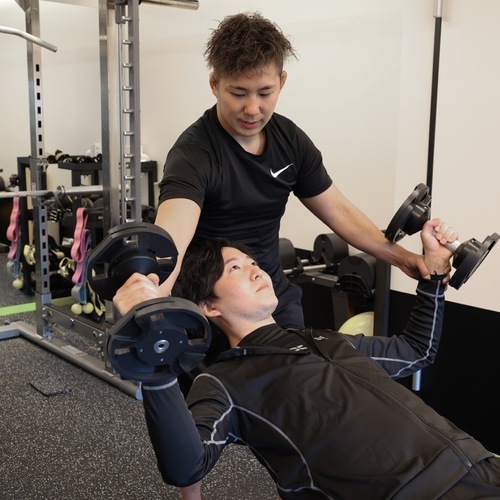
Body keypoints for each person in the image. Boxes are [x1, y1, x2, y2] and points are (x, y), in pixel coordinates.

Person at [113, 218, 500, 499]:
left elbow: (416, 352)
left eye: (252, 262)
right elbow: (186, 467)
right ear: (209, 306)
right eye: (235, 268)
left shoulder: (323, 338)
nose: (255, 270)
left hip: (477, 464)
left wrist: (434, 275)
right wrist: (155, 358)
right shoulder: (224, 382)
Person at [154, 11, 431, 334]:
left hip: (271, 296)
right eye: (239, 93)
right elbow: (172, 240)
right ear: (215, 84)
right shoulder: (193, 154)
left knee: (298, 362)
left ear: (282, 82)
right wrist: (149, 298)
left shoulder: (291, 141)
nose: (253, 109)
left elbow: (339, 211)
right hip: (214, 309)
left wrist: (402, 257)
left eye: (265, 92)